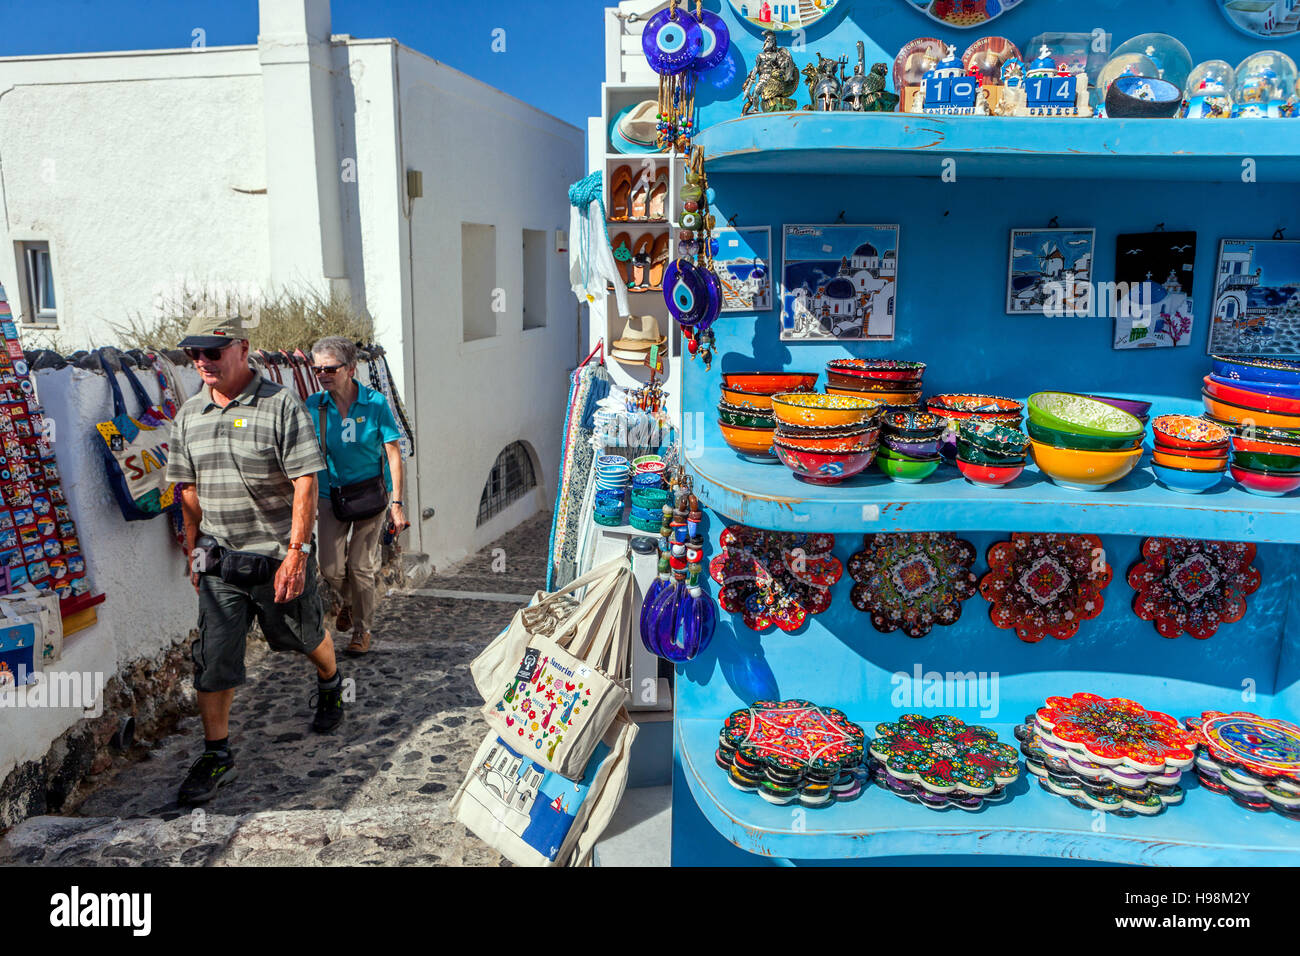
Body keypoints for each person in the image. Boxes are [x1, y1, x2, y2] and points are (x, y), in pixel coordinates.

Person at [165, 315, 344, 807]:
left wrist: (297, 554)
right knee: (214, 659)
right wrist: (194, 548)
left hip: (277, 555)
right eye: (192, 355)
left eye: (211, 352)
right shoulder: (189, 415)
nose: (201, 362)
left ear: (241, 349)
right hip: (221, 562)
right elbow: (186, 488)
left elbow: (305, 480)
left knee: (301, 636)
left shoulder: (279, 405)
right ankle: (216, 753)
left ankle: (330, 681)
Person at [305, 336, 407, 657]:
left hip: (370, 495)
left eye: (330, 368)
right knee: (331, 568)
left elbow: (393, 452)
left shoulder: (375, 404)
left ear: (349, 369)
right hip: (330, 494)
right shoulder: (314, 406)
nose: (322, 374)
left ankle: (362, 630)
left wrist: (398, 504)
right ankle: (350, 601)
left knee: (361, 565)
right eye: (317, 368)